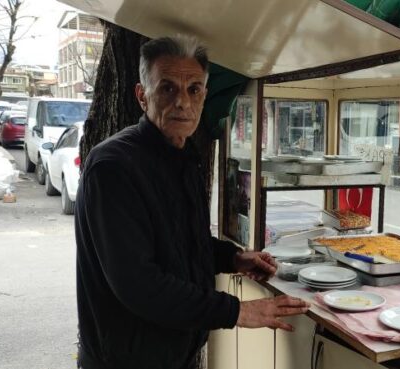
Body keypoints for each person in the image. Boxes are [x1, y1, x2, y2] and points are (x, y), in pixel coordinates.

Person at [75, 36, 309, 369]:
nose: (183, 102)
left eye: (194, 89)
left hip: (178, 352)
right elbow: (139, 284)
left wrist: (233, 258)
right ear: (143, 96)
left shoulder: (184, 156)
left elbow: (182, 243)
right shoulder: (114, 167)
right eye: (168, 88)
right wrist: (238, 311)